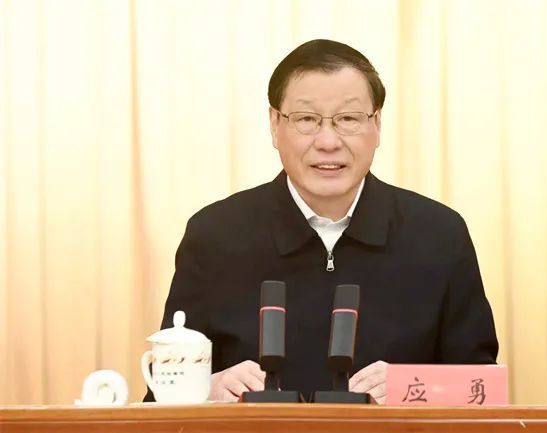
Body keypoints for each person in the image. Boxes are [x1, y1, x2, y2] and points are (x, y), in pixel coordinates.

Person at [145, 39, 498, 404]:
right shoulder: (214, 235)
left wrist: (414, 387)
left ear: (377, 124)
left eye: (348, 119)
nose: (328, 141)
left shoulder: (439, 235)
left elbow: (484, 389)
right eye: (306, 119)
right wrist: (205, 390)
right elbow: (158, 398)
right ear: (274, 124)